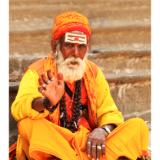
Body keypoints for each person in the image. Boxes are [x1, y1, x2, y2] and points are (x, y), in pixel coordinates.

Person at [11, 11, 150, 160]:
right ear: (55, 47)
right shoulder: (37, 71)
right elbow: (19, 109)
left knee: (137, 126)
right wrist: (46, 102)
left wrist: (103, 131)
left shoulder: (94, 72)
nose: (75, 53)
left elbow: (109, 112)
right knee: (28, 125)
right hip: (58, 142)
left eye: (81, 46)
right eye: (69, 45)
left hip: (89, 144)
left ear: (87, 48)